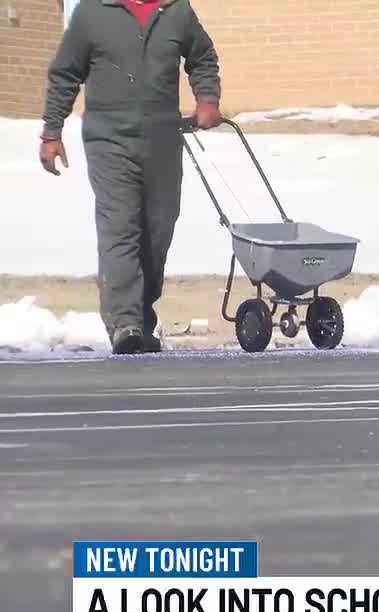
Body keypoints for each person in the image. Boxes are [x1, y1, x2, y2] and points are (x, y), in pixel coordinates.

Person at [39, 0, 223, 354]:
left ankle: (140, 317)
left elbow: (202, 57)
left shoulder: (177, 10)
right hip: (109, 139)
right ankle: (125, 323)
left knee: (159, 228)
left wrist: (207, 99)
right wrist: (52, 132)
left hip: (163, 138)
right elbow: (65, 73)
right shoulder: (93, 12)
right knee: (120, 226)